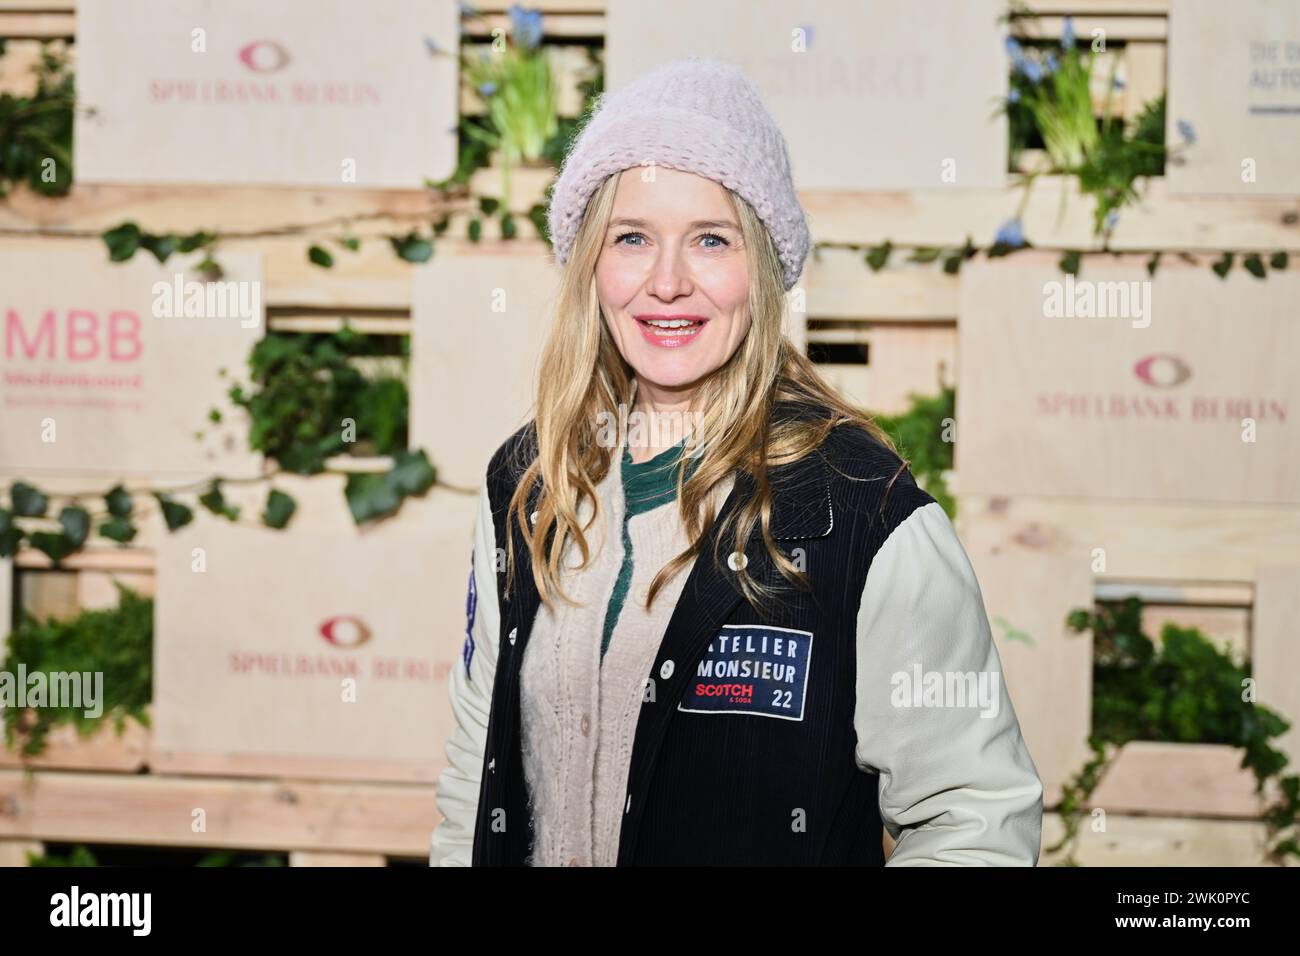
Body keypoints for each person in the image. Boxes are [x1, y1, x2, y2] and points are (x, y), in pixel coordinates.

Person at [430, 55, 1043, 866]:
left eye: (710, 240)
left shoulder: (859, 513)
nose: (668, 282)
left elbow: (977, 820)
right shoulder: (527, 483)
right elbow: (477, 766)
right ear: (590, 265)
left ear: (762, 268)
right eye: (633, 238)